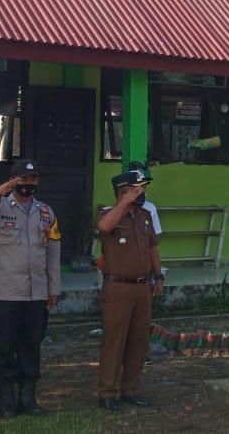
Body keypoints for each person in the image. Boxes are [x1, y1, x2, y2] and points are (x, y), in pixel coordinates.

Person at [0, 160, 61, 418]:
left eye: (33, 179)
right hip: (7, 294)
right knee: (4, 348)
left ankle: (28, 400)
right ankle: (6, 403)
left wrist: (53, 288)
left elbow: (53, 253)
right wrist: (0, 190)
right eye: (22, 179)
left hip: (36, 294)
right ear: (13, 180)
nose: (28, 184)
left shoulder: (46, 212)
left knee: (31, 347)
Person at [95, 169, 163, 411]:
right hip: (118, 287)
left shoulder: (145, 216)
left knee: (138, 340)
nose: (142, 192)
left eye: (143, 188)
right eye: (137, 188)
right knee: (115, 340)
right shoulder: (109, 214)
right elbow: (104, 227)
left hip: (142, 286)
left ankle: (130, 388)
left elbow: (153, 248)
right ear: (122, 191)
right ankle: (107, 392)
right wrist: (124, 202)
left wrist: (158, 276)